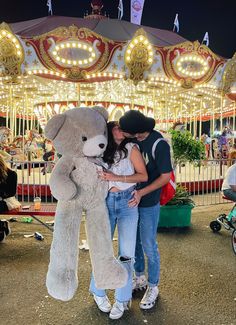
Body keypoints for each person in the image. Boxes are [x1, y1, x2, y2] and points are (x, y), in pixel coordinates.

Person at [89, 121, 148, 320]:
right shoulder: (101, 149)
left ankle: (122, 299)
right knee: (102, 250)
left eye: (123, 128)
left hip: (127, 202)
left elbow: (143, 175)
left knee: (126, 254)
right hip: (104, 201)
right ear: (109, 129)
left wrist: (117, 177)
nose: (120, 130)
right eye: (116, 127)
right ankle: (98, 291)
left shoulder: (131, 148)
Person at [119, 110, 172, 310]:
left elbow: (165, 176)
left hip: (148, 201)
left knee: (149, 244)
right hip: (132, 198)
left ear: (136, 131)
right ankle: (139, 277)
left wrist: (143, 192)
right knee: (135, 244)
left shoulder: (159, 144)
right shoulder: (134, 141)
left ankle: (153, 285)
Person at [0, 154, 18, 242]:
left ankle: (2, 227)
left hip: (7, 200)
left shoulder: (12, 174)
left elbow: (12, 192)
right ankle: (2, 225)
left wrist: (1, 194)